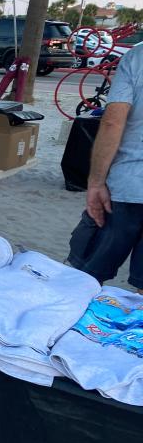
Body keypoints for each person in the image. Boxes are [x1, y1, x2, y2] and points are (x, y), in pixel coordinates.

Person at [67, 43, 143, 291]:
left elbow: (112, 122)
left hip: (127, 187)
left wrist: (96, 182)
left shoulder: (137, 56)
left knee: (83, 277)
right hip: (128, 187)